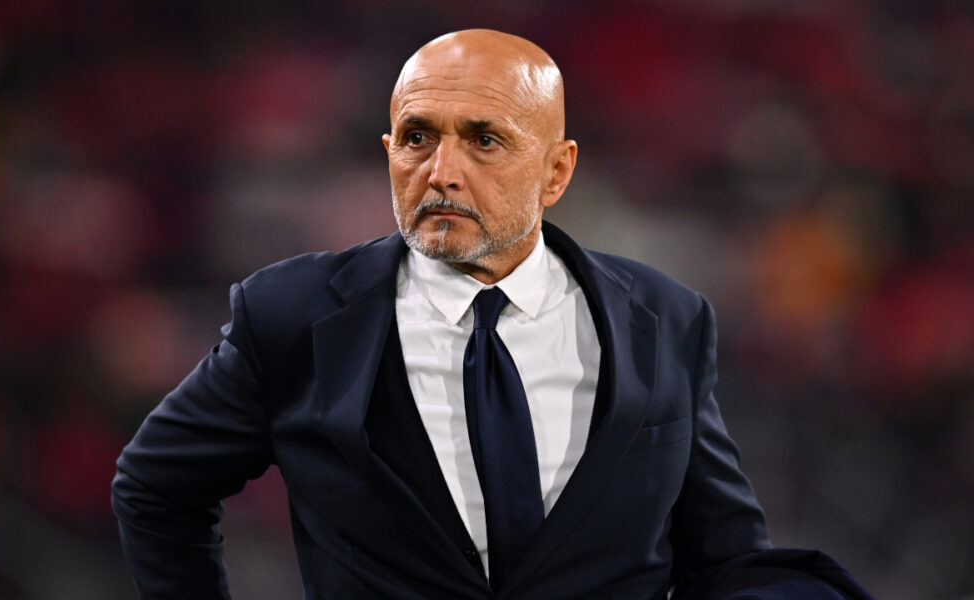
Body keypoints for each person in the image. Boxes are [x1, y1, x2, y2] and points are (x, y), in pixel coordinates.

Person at [112, 29, 874, 599]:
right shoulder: (293, 314)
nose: (441, 171)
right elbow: (156, 487)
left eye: (484, 140)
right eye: (417, 138)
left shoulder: (667, 321)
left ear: (556, 171)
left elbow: (725, 553)